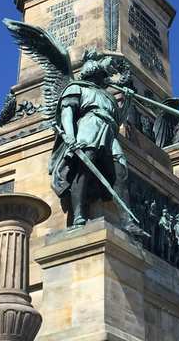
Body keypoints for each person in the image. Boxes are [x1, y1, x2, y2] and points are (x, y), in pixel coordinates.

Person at [50, 51, 145, 236]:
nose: (105, 80)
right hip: (90, 126)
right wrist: (70, 136)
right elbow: (67, 113)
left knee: (120, 171)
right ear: (94, 75)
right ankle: (79, 215)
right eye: (103, 76)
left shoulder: (107, 96)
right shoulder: (77, 88)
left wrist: (128, 101)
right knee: (84, 166)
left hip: (109, 132)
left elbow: (117, 120)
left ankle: (127, 221)